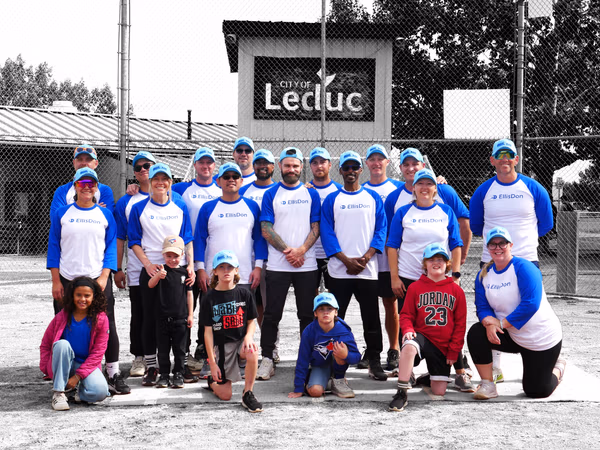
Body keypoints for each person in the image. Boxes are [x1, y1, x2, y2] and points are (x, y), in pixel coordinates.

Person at [469, 138, 553, 381]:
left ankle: (539, 357)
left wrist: (520, 245)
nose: (504, 159)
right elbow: (476, 226)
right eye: (499, 155)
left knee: (530, 308)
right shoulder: (483, 191)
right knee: (493, 310)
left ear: (516, 159)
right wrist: (498, 248)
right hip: (491, 261)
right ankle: (495, 367)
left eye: (509, 155)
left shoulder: (534, 188)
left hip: (527, 259)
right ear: (492, 160)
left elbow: (546, 224)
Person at [385, 147, 473, 379]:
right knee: (408, 322)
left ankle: (460, 369)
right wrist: (394, 277)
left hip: (439, 278)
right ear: (413, 188)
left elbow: (456, 244)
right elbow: (392, 245)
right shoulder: (403, 211)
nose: (424, 187)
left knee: (447, 322)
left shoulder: (445, 211)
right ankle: (408, 370)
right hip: (409, 277)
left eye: (429, 184)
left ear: (436, 188)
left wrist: (455, 274)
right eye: (420, 184)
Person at [47, 167, 129, 395]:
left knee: (107, 324)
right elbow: (54, 246)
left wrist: (104, 276)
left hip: (96, 279)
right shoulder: (62, 213)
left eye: (91, 183)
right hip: (68, 278)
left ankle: (112, 372)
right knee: (65, 325)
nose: (87, 187)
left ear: (96, 187)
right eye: (82, 183)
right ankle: (64, 376)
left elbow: (110, 246)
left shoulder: (105, 214)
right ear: (75, 186)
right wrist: (56, 280)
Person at [467, 226, 565, 400]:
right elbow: (482, 307)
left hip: (540, 338)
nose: (497, 247)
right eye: (492, 244)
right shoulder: (484, 274)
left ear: (511, 245)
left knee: (536, 391)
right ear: (487, 248)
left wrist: (500, 324)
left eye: (502, 243)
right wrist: (489, 324)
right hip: (512, 335)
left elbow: (531, 304)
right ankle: (488, 385)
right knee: (476, 333)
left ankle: (558, 368)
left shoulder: (524, 268)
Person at [320, 151, 388, 381]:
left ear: (361, 169)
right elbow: (327, 233)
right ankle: (332, 361)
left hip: (367, 271)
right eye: (346, 168)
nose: (350, 171)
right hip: (339, 271)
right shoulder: (332, 199)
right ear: (340, 170)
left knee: (371, 318)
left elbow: (381, 229)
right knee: (335, 318)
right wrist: (346, 260)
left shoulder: (372, 197)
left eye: (354, 167)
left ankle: (374, 359)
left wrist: (366, 258)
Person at [127, 163, 194, 386]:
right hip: (152, 269)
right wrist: (147, 264)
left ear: (170, 183)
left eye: (164, 179)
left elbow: (187, 238)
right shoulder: (139, 208)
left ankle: (181, 366)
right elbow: (134, 241)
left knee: (180, 318)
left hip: (176, 268)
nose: (160, 183)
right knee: (149, 319)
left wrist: (190, 265)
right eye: (156, 179)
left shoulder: (179, 206)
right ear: (150, 181)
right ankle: (152, 366)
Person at [258, 147, 321, 380]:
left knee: (307, 315)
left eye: (295, 165)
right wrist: (289, 252)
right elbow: (266, 228)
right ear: (280, 167)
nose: (291, 169)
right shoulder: (271, 194)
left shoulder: (311, 194)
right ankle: (267, 358)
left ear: (301, 167)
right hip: (278, 264)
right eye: (287, 165)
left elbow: (316, 226)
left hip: (307, 264)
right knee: (272, 314)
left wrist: (301, 250)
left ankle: (307, 358)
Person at [388, 243, 467, 412]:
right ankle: (401, 392)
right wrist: (408, 330)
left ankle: (429, 376)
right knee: (409, 346)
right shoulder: (415, 287)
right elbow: (406, 314)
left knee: (439, 391)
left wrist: (454, 351)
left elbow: (460, 325)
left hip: (443, 344)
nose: (436, 263)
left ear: (447, 263)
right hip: (422, 337)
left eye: (440, 259)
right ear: (425, 264)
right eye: (431, 260)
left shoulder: (456, 290)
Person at [171, 147, 221, 378]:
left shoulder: (221, 188)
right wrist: (132, 189)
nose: (205, 166)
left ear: (214, 165)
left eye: (209, 162)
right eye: (201, 162)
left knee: (209, 309)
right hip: (186, 260)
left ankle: (203, 350)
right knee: (185, 309)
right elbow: (155, 191)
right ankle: (182, 352)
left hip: (214, 260)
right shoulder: (181, 189)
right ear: (195, 165)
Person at [202, 250, 263, 413]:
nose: (226, 271)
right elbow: (207, 332)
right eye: (221, 267)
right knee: (225, 395)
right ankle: (212, 382)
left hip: (241, 342)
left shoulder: (244, 293)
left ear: (236, 270)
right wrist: (212, 362)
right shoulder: (209, 298)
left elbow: (251, 322)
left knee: (252, 350)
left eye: (229, 267)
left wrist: (248, 337)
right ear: (215, 271)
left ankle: (248, 393)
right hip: (223, 346)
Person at [114, 150, 156, 377]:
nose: (142, 170)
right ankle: (139, 356)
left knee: (166, 313)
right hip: (138, 269)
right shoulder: (126, 201)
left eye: (147, 165)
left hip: (165, 268)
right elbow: (120, 237)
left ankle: (163, 356)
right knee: (139, 314)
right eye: (138, 167)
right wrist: (118, 269)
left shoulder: (172, 195)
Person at [194, 162, 266, 295]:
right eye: (226, 177)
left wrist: (258, 267)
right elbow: (199, 240)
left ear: (241, 181)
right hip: (214, 276)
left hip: (244, 275)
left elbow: (259, 239)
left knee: (245, 309)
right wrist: (200, 269)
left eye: (235, 176)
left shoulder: (252, 206)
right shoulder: (208, 207)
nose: (231, 179)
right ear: (218, 181)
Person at [40, 277, 110, 411]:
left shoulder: (101, 319)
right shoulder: (62, 316)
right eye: (78, 295)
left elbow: (98, 353)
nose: (82, 299)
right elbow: (46, 344)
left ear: (94, 297)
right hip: (64, 362)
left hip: (85, 364)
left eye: (87, 296)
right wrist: (46, 367)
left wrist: (77, 377)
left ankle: (78, 392)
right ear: (72, 295)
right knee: (62, 344)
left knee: (100, 392)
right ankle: (59, 393)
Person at [362, 144, 402, 372]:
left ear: (387, 162)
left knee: (390, 303)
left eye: (381, 159)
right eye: (372, 159)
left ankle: (394, 348)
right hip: (367, 257)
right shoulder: (360, 189)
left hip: (389, 257)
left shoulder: (398, 188)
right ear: (366, 163)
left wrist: (439, 180)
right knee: (368, 306)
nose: (376, 163)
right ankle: (372, 349)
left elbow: (424, 188)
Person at [288, 293, 361, 399]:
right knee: (315, 392)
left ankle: (338, 380)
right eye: (321, 309)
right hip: (320, 365)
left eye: (329, 308)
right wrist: (298, 388)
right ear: (315, 313)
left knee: (340, 350)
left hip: (338, 364)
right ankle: (312, 380)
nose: (325, 312)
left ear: (336, 312)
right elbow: (302, 359)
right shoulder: (309, 331)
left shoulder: (344, 331)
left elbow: (357, 357)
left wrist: (346, 355)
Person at [149, 235, 195, 388]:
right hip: (162, 317)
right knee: (163, 349)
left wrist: (190, 315)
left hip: (180, 318)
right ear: (163, 255)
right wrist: (157, 276)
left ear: (182, 254)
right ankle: (163, 374)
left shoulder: (185, 273)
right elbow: (150, 285)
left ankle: (178, 373)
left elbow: (189, 294)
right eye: (168, 256)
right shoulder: (160, 270)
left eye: (175, 256)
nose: (172, 259)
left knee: (180, 348)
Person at [239, 149, 276, 336]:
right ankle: (245, 343)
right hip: (249, 256)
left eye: (266, 163)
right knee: (251, 304)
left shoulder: (279, 190)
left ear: (273, 166)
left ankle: (271, 345)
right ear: (253, 166)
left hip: (275, 256)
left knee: (271, 305)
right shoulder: (243, 191)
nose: (262, 166)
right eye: (259, 163)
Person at [307, 147, 342, 292]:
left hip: (332, 252)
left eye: (322, 162)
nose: (319, 166)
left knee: (335, 295)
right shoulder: (304, 190)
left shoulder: (339, 190)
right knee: (310, 294)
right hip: (310, 251)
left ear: (330, 165)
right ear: (310, 166)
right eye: (315, 163)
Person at [50, 144, 115, 216]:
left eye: (88, 159)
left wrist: (69, 211)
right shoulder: (62, 190)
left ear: (96, 163)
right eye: (80, 159)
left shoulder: (104, 190)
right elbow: (56, 217)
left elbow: (107, 217)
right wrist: (95, 210)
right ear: (74, 163)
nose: (84, 163)